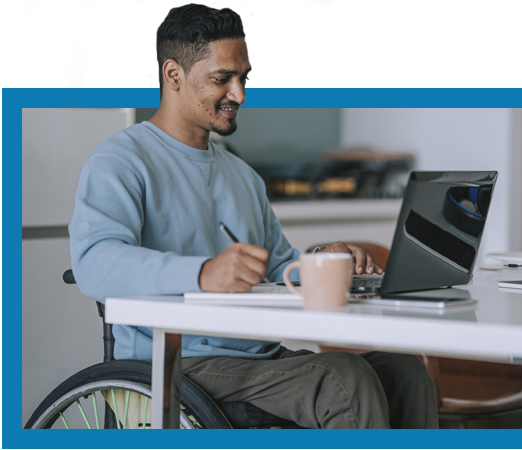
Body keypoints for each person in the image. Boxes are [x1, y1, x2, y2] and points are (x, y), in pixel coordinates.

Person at [69, 3, 438, 429]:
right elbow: (93, 263)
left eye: (243, 78)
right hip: (175, 366)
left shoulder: (240, 173)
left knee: (404, 370)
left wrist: (323, 260)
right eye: (222, 79)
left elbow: (279, 267)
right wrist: (204, 273)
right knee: (343, 379)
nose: (239, 94)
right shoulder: (120, 161)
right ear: (173, 76)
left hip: (256, 361)